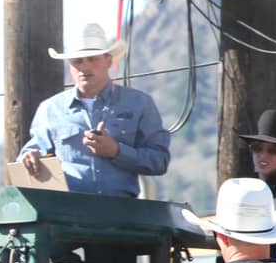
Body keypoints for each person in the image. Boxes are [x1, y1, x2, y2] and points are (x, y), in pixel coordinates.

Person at [17, 21, 172, 201]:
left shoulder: (139, 103)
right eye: (77, 61)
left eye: (92, 59)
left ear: (108, 60)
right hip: (66, 214)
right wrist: (29, 158)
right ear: (69, 64)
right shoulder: (50, 109)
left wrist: (116, 151)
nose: (84, 67)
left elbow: (159, 161)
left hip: (123, 213)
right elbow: (29, 157)